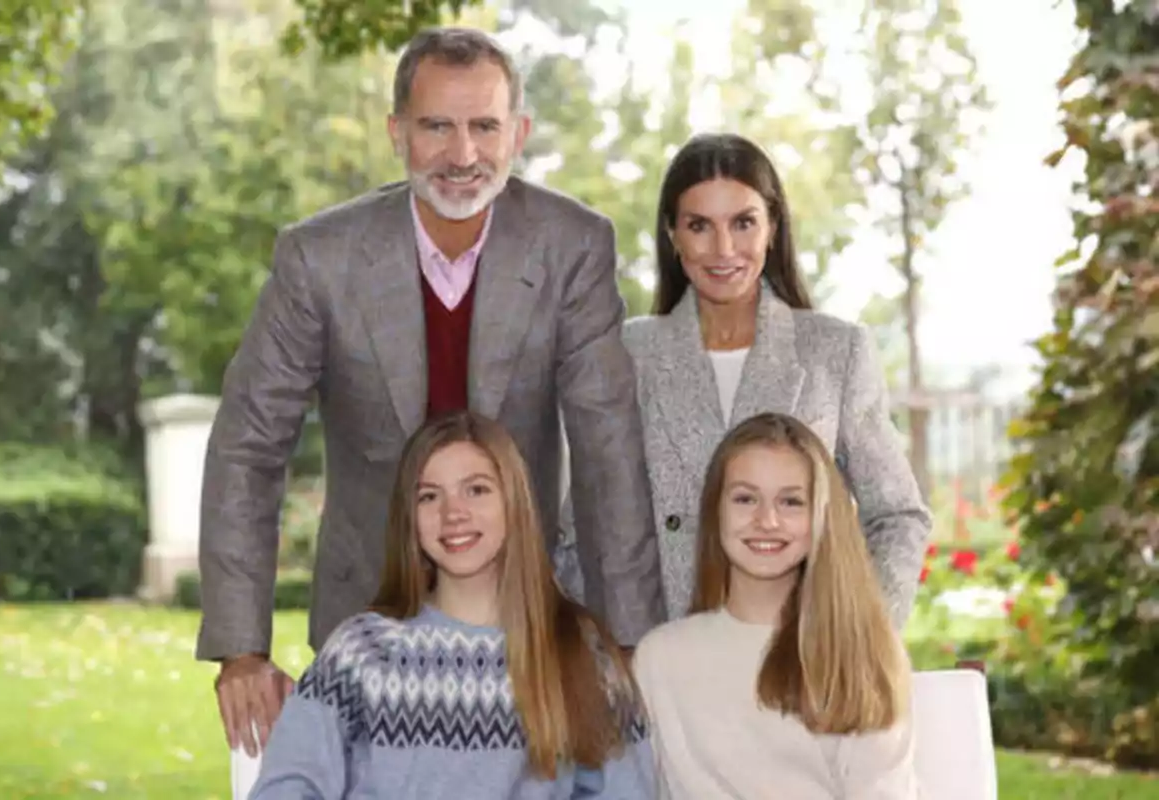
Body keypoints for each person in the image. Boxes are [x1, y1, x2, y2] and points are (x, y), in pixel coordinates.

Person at [198, 26, 664, 758]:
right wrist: (241, 649)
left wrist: (629, 640)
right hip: (366, 612)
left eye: (484, 126)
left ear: (519, 133)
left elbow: (609, 447)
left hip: (524, 617)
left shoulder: (573, 245)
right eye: (436, 127)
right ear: (397, 132)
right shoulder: (318, 258)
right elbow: (249, 445)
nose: (462, 155)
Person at [558, 132, 929, 623]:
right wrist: (613, 653)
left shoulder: (836, 351)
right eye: (699, 226)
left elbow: (897, 516)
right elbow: (580, 528)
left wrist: (860, 641)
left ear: (773, 226)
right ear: (672, 234)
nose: (723, 248)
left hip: (801, 660)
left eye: (743, 223)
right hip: (662, 663)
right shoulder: (627, 354)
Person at [248, 411, 654, 799]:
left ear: (515, 502)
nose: (453, 513)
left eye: (476, 489)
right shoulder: (362, 651)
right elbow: (285, 788)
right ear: (410, 516)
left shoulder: (580, 652)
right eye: (429, 496)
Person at [633, 412, 921, 799]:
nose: (766, 520)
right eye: (745, 498)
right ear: (715, 510)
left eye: (790, 501)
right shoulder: (659, 658)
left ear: (821, 516)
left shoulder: (862, 653)